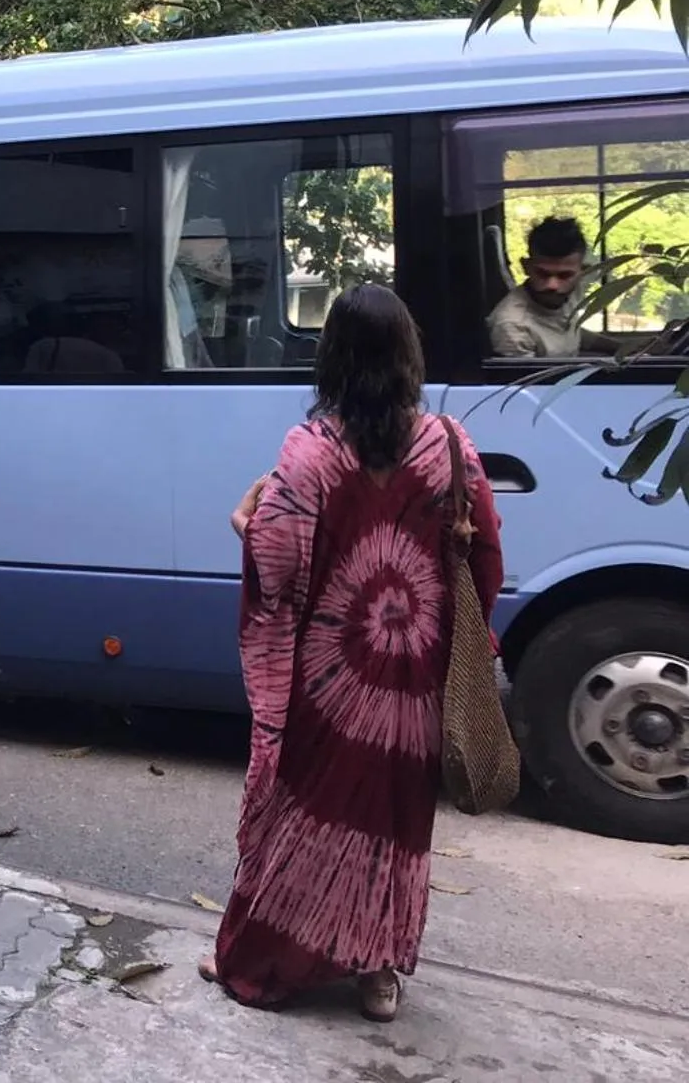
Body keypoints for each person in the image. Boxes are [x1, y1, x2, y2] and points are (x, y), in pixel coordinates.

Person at [206, 284, 503, 1022]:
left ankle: (268, 962)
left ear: (330, 358)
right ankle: (378, 975)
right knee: (395, 828)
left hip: (325, 683)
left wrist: (243, 522)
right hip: (415, 676)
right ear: (409, 357)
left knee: (300, 818)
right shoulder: (450, 448)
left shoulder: (307, 456)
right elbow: (487, 558)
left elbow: (273, 569)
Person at [486, 215, 619, 358]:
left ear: (583, 272)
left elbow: (569, 332)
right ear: (526, 267)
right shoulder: (512, 326)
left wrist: (623, 347)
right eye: (542, 274)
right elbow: (530, 379)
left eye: (564, 275)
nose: (552, 286)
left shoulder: (571, 292)